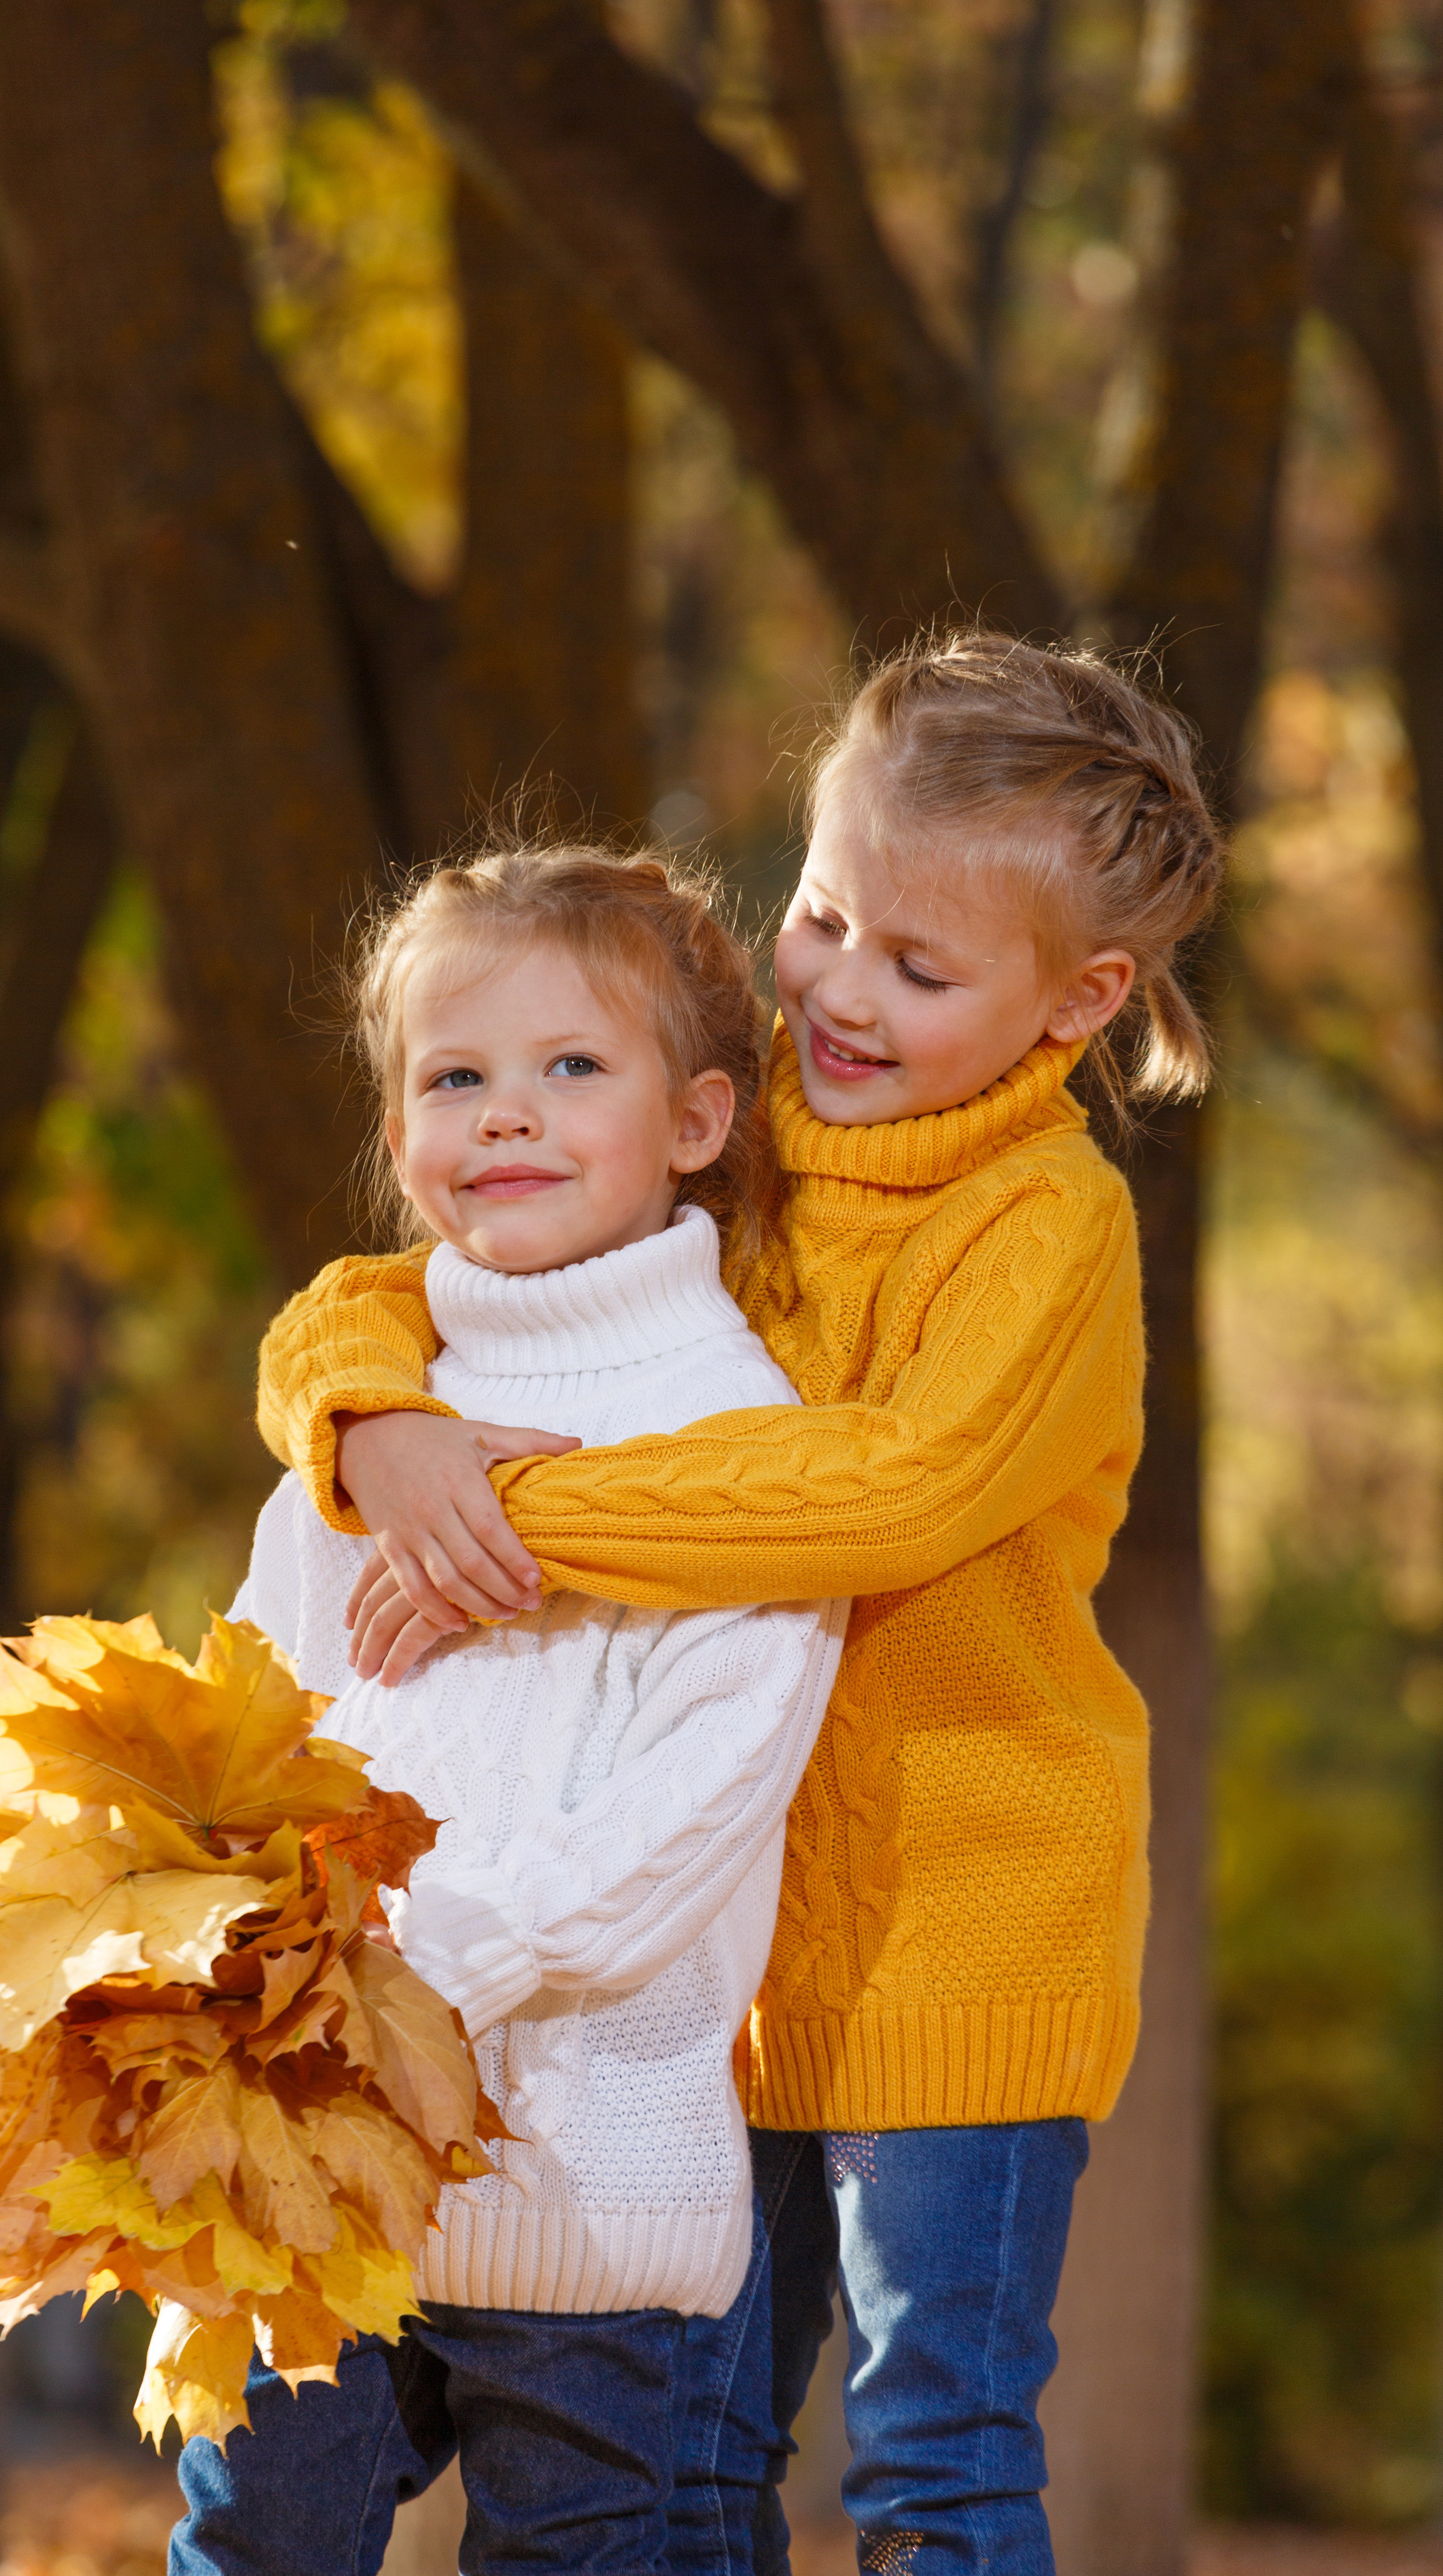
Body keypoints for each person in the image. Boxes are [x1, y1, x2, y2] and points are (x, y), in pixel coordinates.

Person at [254, 633, 1225, 2575]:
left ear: (1080, 999)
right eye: (823, 916)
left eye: (920, 970)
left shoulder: (1049, 1227)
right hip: (718, 1941)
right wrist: (373, 1430)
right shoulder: (735, 1119)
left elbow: (893, 1489)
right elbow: (400, 1288)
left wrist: (518, 1502)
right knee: (700, 2466)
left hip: (968, 1919)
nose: (841, 995)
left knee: (935, 2459)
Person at [171, 847, 847, 2576]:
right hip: (317, 2144)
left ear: (697, 1119)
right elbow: (253, 1713)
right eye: (453, 1078)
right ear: (395, 1126)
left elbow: (700, 1801)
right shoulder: (364, 1430)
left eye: (572, 1070)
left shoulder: (739, 1436)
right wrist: (222, 1936)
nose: (506, 1118)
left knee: (574, 2556)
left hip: (582, 2171)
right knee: (260, 2539)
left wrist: (433, 1963)